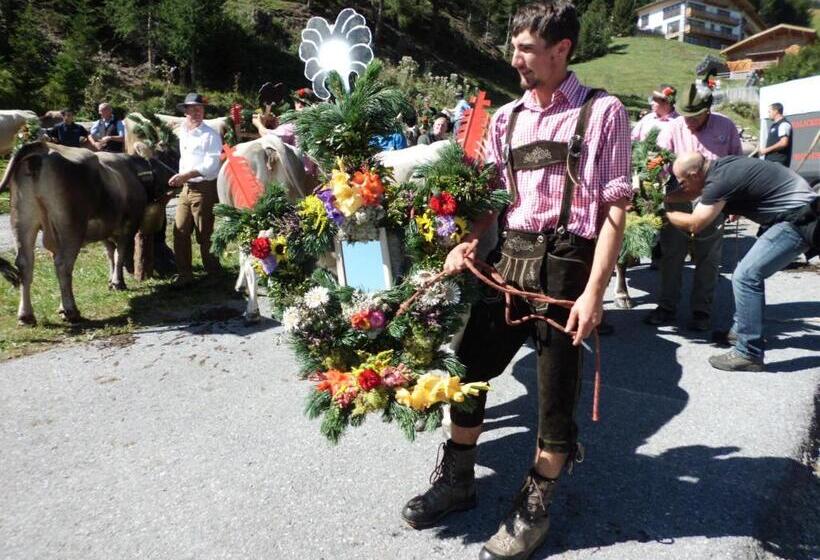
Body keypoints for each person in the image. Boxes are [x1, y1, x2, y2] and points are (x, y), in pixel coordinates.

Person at [400, 3, 632, 559]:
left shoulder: (602, 113)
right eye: (514, 48)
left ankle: (535, 506)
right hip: (509, 257)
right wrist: (471, 241)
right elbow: (495, 202)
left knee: (554, 396)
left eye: (527, 49)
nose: (515, 60)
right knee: (469, 369)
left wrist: (596, 293)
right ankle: (458, 481)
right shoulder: (505, 119)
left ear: (562, 49)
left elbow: (615, 211)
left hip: (567, 266)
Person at [665, 153, 818, 371]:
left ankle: (749, 352)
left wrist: (666, 212)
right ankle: (742, 331)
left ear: (695, 173)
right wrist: (665, 197)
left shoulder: (719, 181)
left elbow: (694, 224)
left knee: (746, 276)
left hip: (798, 220)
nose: (682, 185)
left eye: (682, 180)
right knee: (749, 274)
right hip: (797, 213)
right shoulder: (720, 168)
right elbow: (692, 192)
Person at [644, 82, 742, 332]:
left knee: (709, 258)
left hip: (713, 196)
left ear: (707, 110)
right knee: (671, 255)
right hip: (679, 196)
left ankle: (702, 311)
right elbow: (658, 162)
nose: (688, 123)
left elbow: (736, 166)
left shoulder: (725, 126)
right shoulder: (674, 127)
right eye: (685, 116)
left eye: (694, 117)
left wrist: (736, 203)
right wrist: (651, 187)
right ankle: (666, 307)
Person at [169, 93, 223, 287]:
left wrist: (186, 175)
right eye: (192, 108)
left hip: (204, 188)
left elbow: (211, 166)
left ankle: (214, 273)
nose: (197, 111)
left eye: (199, 108)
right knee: (180, 230)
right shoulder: (182, 130)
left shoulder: (210, 134)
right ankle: (185, 274)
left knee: (205, 233)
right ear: (185, 111)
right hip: (186, 188)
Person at [759, 102, 792, 168]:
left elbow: (783, 143)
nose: (768, 114)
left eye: (769, 112)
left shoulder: (783, 124)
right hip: (771, 162)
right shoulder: (774, 125)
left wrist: (766, 150)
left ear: (776, 111)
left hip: (778, 162)